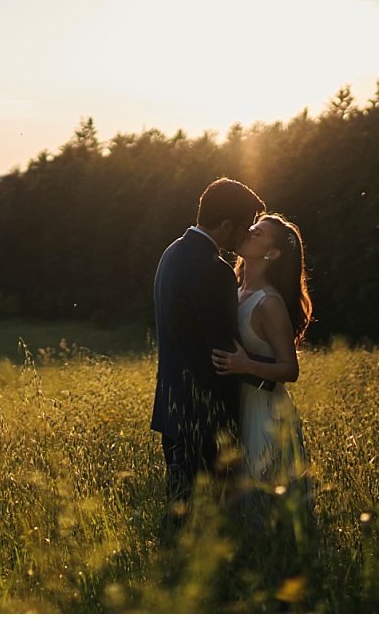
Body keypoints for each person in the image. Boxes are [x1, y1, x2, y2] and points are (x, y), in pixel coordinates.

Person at [150, 177, 267, 520]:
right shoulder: (214, 271)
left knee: (182, 515)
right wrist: (272, 378)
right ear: (226, 224)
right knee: (211, 526)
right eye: (243, 227)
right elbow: (226, 357)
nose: (245, 235)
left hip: (172, 413)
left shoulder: (171, 253)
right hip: (206, 420)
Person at [211, 213, 314, 509]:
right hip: (238, 405)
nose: (248, 232)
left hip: (266, 413)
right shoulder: (236, 289)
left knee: (264, 500)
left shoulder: (269, 302)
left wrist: (245, 366)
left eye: (258, 234)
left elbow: (290, 369)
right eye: (252, 228)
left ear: (272, 253)